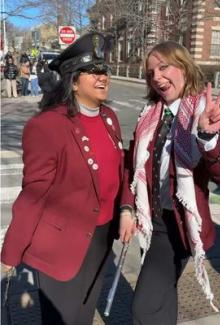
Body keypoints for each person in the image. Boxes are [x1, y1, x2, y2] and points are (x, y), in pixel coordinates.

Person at [1, 32, 124, 325]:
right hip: (60, 243)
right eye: (91, 72)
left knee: (83, 315)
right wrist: (11, 253)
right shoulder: (48, 126)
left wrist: (128, 209)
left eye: (103, 70)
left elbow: (123, 169)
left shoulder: (109, 118)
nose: (101, 77)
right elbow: (34, 194)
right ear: (72, 80)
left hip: (100, 237)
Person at [120, 41, 220, 325]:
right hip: (153, 219)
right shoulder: (149, 116)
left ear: (183, 66)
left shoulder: (207, 112)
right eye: (150, 73)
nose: (156, 77)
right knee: (162, 298)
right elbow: (131, 166)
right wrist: (127, 208)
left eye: (163, 67)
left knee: (144, 309)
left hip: (180, 224)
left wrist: (206, 138)